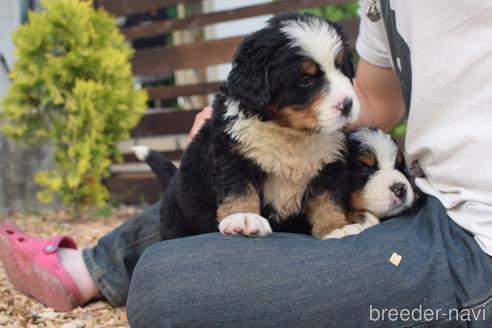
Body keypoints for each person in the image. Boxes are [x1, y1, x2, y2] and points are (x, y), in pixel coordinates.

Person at [1, 0, 492, 326]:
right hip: (432, 204)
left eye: (336, 66)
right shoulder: (384, 5)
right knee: (211, 198)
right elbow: (368, 100)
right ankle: (95, 267)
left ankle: (100, 268)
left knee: (166, 284)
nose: (334, 84)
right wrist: (228, 134)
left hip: (477, 239)